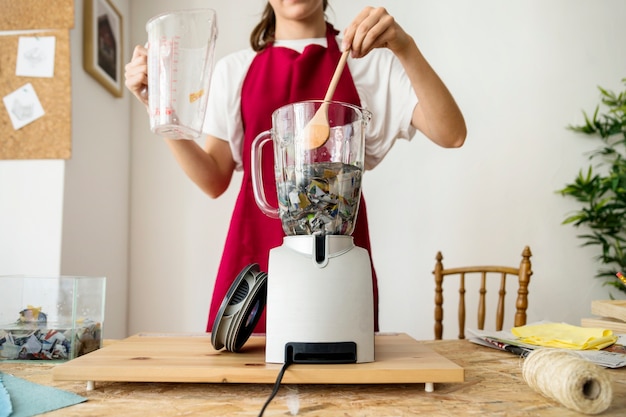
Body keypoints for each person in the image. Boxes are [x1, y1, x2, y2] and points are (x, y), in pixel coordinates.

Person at [124, 1, 466, 334]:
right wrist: (161, 111)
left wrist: (404, 47)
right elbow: (213, 179)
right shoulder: (235, 70)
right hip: (254, 262)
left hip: (340, 258)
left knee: (340, 373)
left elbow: (451, 134)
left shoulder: (367, 65)